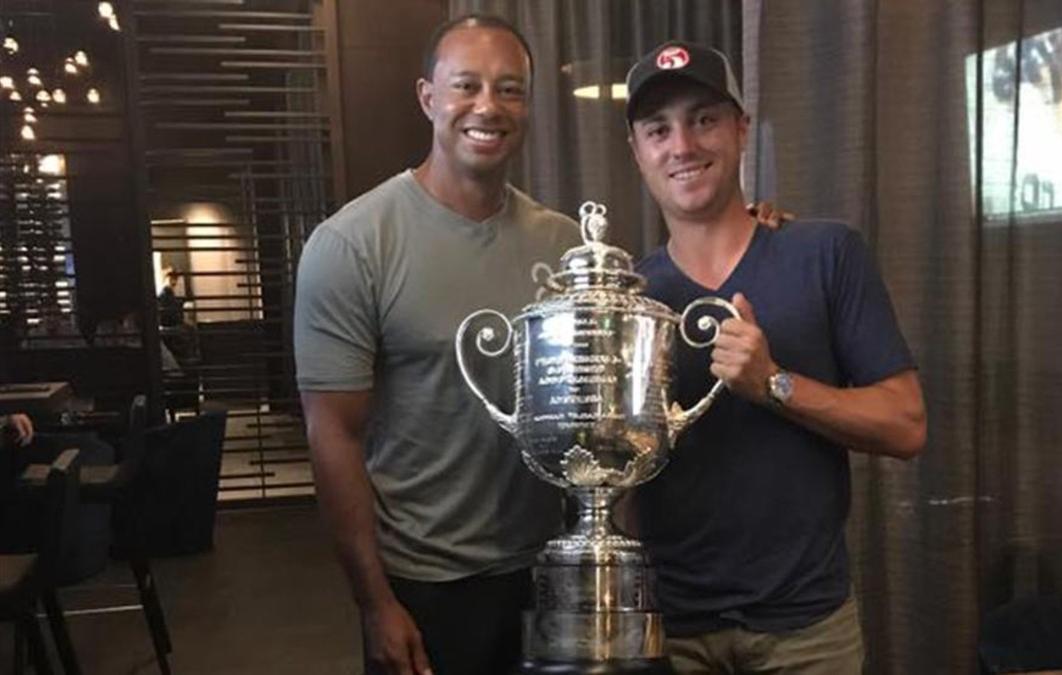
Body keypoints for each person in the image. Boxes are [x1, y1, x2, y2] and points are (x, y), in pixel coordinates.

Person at [623, 41, 928, 673]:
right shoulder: (630, 299)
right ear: (638, 152)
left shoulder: (825, 253)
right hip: (670, 631)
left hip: (807, 630)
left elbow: (907, 426)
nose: (682, 145)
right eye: (659, 129)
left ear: (740, 129)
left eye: (704, 119)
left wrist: (774, 383)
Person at [293, 14, 579, 675]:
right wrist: (374, 602)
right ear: (428, 98)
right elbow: (332, 433)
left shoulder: (564, 245)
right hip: (423, 584)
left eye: (509, 89)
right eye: (467, 85)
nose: (488, 107)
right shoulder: (352, 244)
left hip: (545, 573)